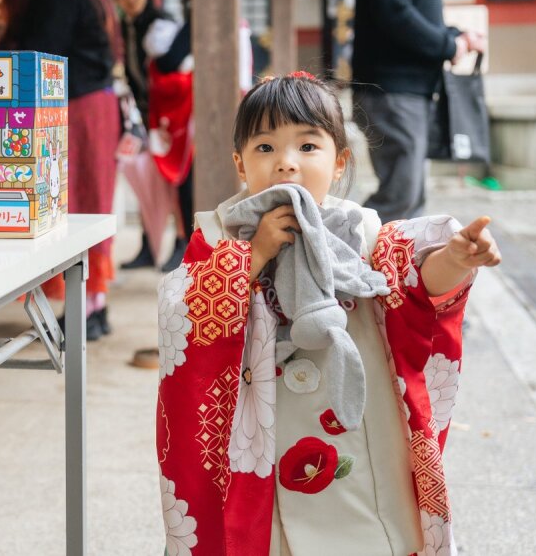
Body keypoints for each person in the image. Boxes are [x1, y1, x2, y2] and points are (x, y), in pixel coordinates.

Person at [156, 73, 501, 555]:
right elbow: (182, 310)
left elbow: (412, 285)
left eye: (307, 146)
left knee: (367, 525)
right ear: (239, 163)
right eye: (264, 148)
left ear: (340, 161)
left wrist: (455, 259)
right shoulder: (221, 238)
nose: (286, 164)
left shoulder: (362, 232)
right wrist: (250, 258)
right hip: (266, 435)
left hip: (355, 425)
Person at [0, 0, 118, 341]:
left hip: (77, 109)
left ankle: (87, 307)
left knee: (74, 205)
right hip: (91, 105)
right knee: (86, 202)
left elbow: (39, 52)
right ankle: (94, 304)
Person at [352, 0, 486, 222]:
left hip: (404, 89)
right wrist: (448, 45)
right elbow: (392, 10)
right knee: (400, 199)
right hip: (394, 90)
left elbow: (404, 9)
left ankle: (394, 273)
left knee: (410, 202)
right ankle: (336, 262)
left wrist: (454, 37)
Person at [111, 0, 173, 270]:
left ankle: (178, 244)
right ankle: (149, 246)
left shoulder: (160, 19)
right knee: (149, 182)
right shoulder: (127, 24)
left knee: (173, 181)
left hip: (170, 116)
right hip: (147, 113)